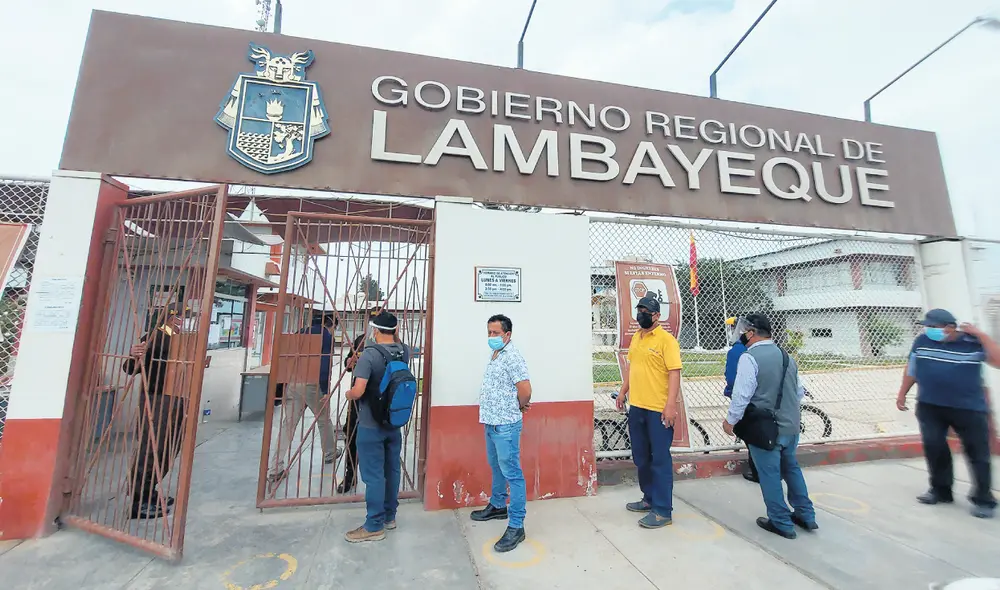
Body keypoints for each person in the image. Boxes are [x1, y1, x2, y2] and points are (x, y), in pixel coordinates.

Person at [896, 308, 998, 519]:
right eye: (927, 326)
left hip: (969, 408)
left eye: (933, 327)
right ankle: (941, 490)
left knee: (977, 452)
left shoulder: (972, 342)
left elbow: (997, 361)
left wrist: (982, 334)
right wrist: (902, 394)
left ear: (950, 328)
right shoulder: (921, 341)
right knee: (934, 447)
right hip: (930, 405)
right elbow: (911, 369)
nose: (928, 330)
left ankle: (983, 498)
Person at [723, 313, 817, 539]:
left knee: (770, 475)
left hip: (766, 430)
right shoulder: (787, 357)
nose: (742, 336)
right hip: (791, 425)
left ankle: (781, 522)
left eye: (743, 332)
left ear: (751, 333)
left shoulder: (750, 357)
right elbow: (799, 392)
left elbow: (742, 395)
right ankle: (806, 515)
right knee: (791, 468)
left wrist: (730, 421)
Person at [616, 295, 682, 529]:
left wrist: (671, 405)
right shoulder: (637, 337)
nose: (641, 313)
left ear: (657, 315)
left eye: (646, 311)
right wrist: (624, 391)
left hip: (658, 410)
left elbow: (674, 372)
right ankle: (648, 499)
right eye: (639, 309)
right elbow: (633, 367)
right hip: (638, 407)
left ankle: (663, 510)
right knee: (641, 457)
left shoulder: (666, 341)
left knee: (660, 459)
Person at [344, 311, 410, 542]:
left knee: (373, 476)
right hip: (394, 422)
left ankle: (373, 525)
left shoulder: (369, 355)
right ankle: (389, 517)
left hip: (371, 424)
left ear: (374, 330)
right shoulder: (404, 351)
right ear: (395, 330)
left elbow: (359, 390)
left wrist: (348, 394)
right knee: (392, 470)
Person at [470, 314, 532, 553]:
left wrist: (518, 405)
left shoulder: (512, 356)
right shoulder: (496, 354)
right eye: (489, 333)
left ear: (507, 335)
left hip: (506, 425)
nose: (492, 337)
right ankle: (497, 505)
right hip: (491, 422)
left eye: (496, 333)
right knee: (496, 466)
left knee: (513, 473)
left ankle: (516, 526)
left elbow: (525, 389)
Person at [122, 305, 189, 519]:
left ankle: (150, 491)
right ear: (168, 318)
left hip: (176, 398)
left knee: (169, 448)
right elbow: (130, 368)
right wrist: (134, 356)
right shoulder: (154, 337)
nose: (182, 321)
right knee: (152, 448)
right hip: (157, 398)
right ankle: (138, 500)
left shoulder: (180, 340)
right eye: (180, 316)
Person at [269, 314, 339, 484]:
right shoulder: (326, 336)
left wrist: (284, 383)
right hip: (312, 384)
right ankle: (330, 452)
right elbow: (324, 365)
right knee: (323, 419)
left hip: (293, 383)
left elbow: (287, 357)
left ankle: (275, 467)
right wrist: (325, 389)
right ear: (331, 325)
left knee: (288, 425)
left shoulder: (300, 332)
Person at [724, 316, 756, 483]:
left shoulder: (737, 350)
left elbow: (731, 378)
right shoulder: (763, 350)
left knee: (750, 435)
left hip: (743, 398)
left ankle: (755, 469)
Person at [339, 332, 366, 494]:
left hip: (379, 398)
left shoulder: (389, 341)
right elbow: (348, 364)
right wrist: (349, 361)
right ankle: (350, 475)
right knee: (351, 433)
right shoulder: (360, 340)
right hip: (357, 396)